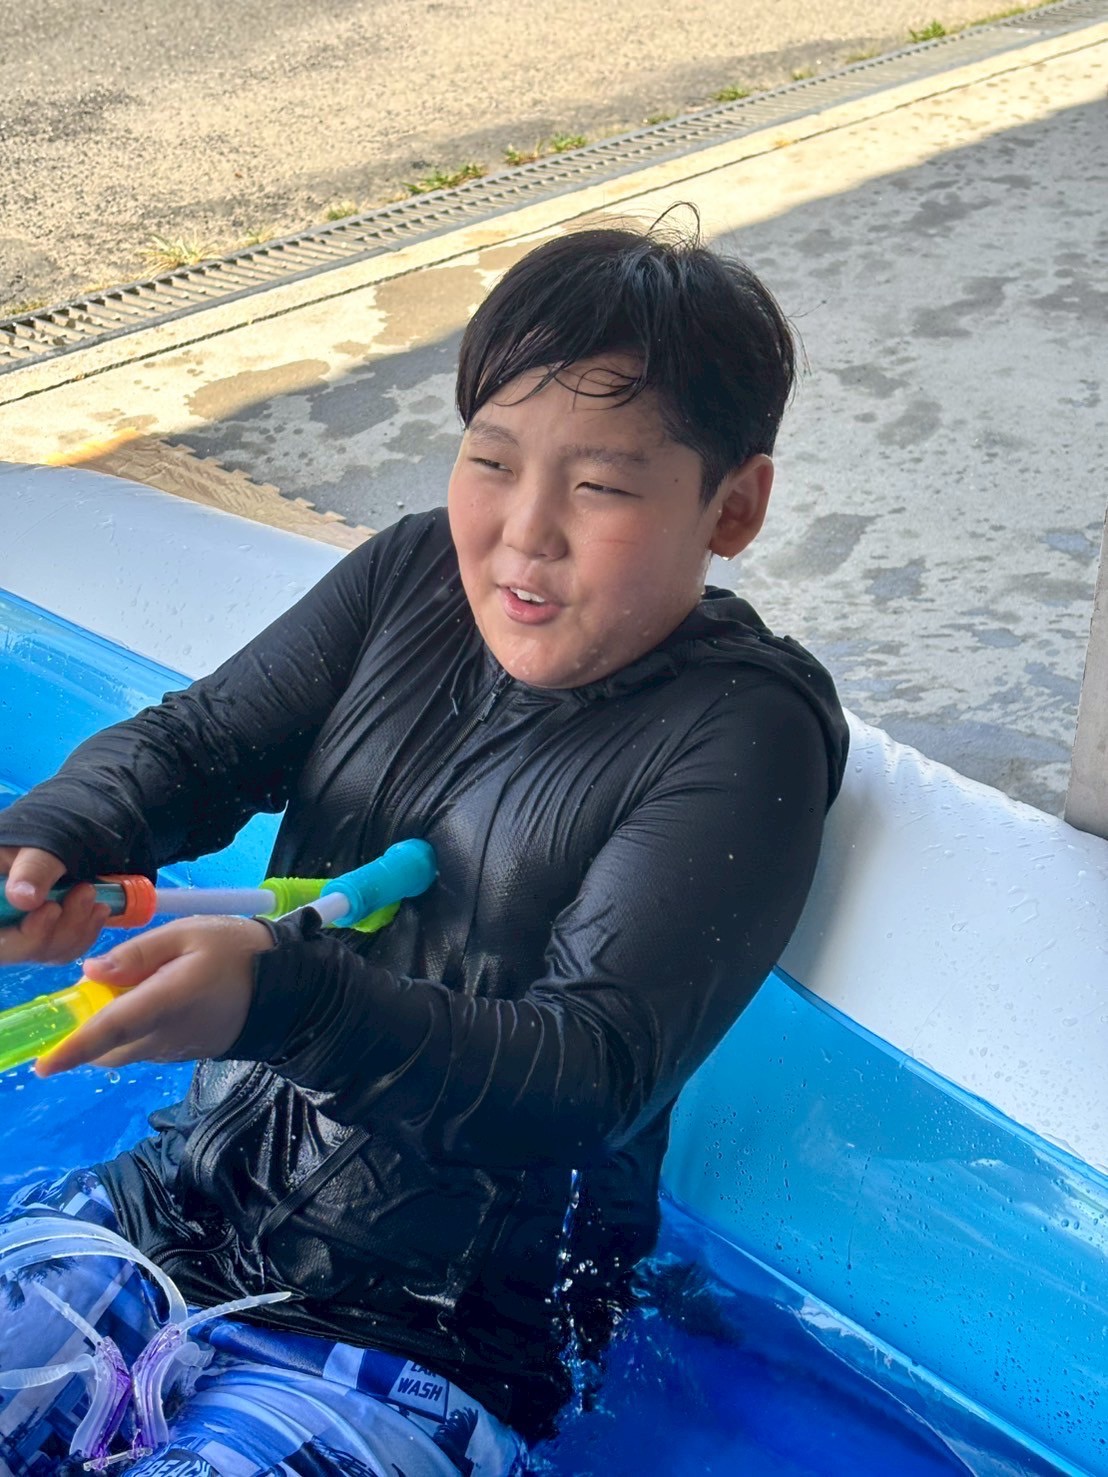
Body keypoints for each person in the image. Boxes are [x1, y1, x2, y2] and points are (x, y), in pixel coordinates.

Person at [0, 220, 849, 1477]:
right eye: (490, 460)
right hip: (165, 1211)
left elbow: (588, 1074)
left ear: (733, 506)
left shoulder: (743, 733)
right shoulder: (411, 578)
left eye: (600, 487)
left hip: (429, 1346)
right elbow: (198, 745)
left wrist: (282, 1001)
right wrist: (57, 834)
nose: (523, 531)